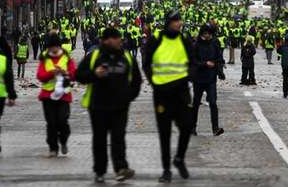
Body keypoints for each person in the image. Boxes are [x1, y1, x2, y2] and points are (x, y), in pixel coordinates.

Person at [76, 27, 141, 184]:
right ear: (106, 40)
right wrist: (94, 74)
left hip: (120, 107)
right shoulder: (94, 56)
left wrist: (127, 97)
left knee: (118, 138)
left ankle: (120, 169)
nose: (120, 40)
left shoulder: (126, 57)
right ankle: (100, 171)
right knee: (99, 140)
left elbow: (137, 81)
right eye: (116, 38)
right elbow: (79, 75)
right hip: (98, 106)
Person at [143, 10, 194, 183]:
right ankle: (166, 170)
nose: (179, 24)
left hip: (181, 93)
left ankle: (179, 158)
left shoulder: (184, 40)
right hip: (162, 94)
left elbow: (193, 62)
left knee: (187, 127)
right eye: (176, 21)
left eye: (180, 20)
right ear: (168, 23)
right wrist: (153, 81)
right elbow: (146, 62)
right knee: (164, 134)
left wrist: (188, 79)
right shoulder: (156, 40)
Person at [36, 33, 76, 158]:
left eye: (55, 47)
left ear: (59, 46)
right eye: (51, 47)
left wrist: (65, 73)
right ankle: (53, 148)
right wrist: (51, 73)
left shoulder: (67, 58)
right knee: (51, 123)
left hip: (63, 95)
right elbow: (40, 76)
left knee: (62, 121)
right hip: (48, 96)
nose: (53, 49)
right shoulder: (44, 58)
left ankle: (63, 141)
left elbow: (74, 74)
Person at [190, 24, 225, 137]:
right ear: (202, 34)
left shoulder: (214, 44)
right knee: (195, 103)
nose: (208, 36)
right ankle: (192, 127)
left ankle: (215, 128)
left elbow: (219, 58)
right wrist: (205, 63)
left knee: (213, 103)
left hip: (211, 79)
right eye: (205, 34)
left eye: (209, 34)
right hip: (199, 79)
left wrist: (220, 71)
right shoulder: (196, 45)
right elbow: (193, 61)